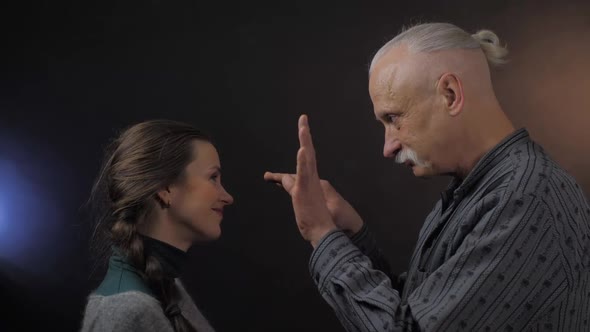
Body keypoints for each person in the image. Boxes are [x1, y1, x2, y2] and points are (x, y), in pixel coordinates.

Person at [265, 23, 590, 331]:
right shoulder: (480, 188)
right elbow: (419, 308)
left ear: (449, 94)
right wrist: (351, 233)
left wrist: (321, 233)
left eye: (393, 118)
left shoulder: (524, 198)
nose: (388, 147)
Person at [81, 120, 234, 332]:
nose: (228, 197)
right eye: (213, 178)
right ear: (165, 188)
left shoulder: (165, 285)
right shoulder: (124, 312)